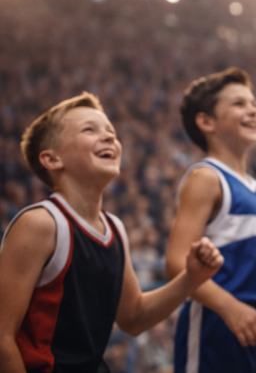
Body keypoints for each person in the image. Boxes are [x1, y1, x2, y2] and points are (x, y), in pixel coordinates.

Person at [0, 92, 224, 373]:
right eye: (89, 130)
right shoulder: (41, 224)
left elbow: (134, 317)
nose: (108, 138)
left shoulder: (115, 228)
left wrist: (191, 279)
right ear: (52, 159)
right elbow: (2, 336)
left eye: (111, 132)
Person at [167, 68, 256, 373]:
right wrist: (229, 307)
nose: (253, 111)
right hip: (217, 324)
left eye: (254, 104)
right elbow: (177, 262)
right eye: (239, 104)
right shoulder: (207, 177)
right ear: (206, 122)